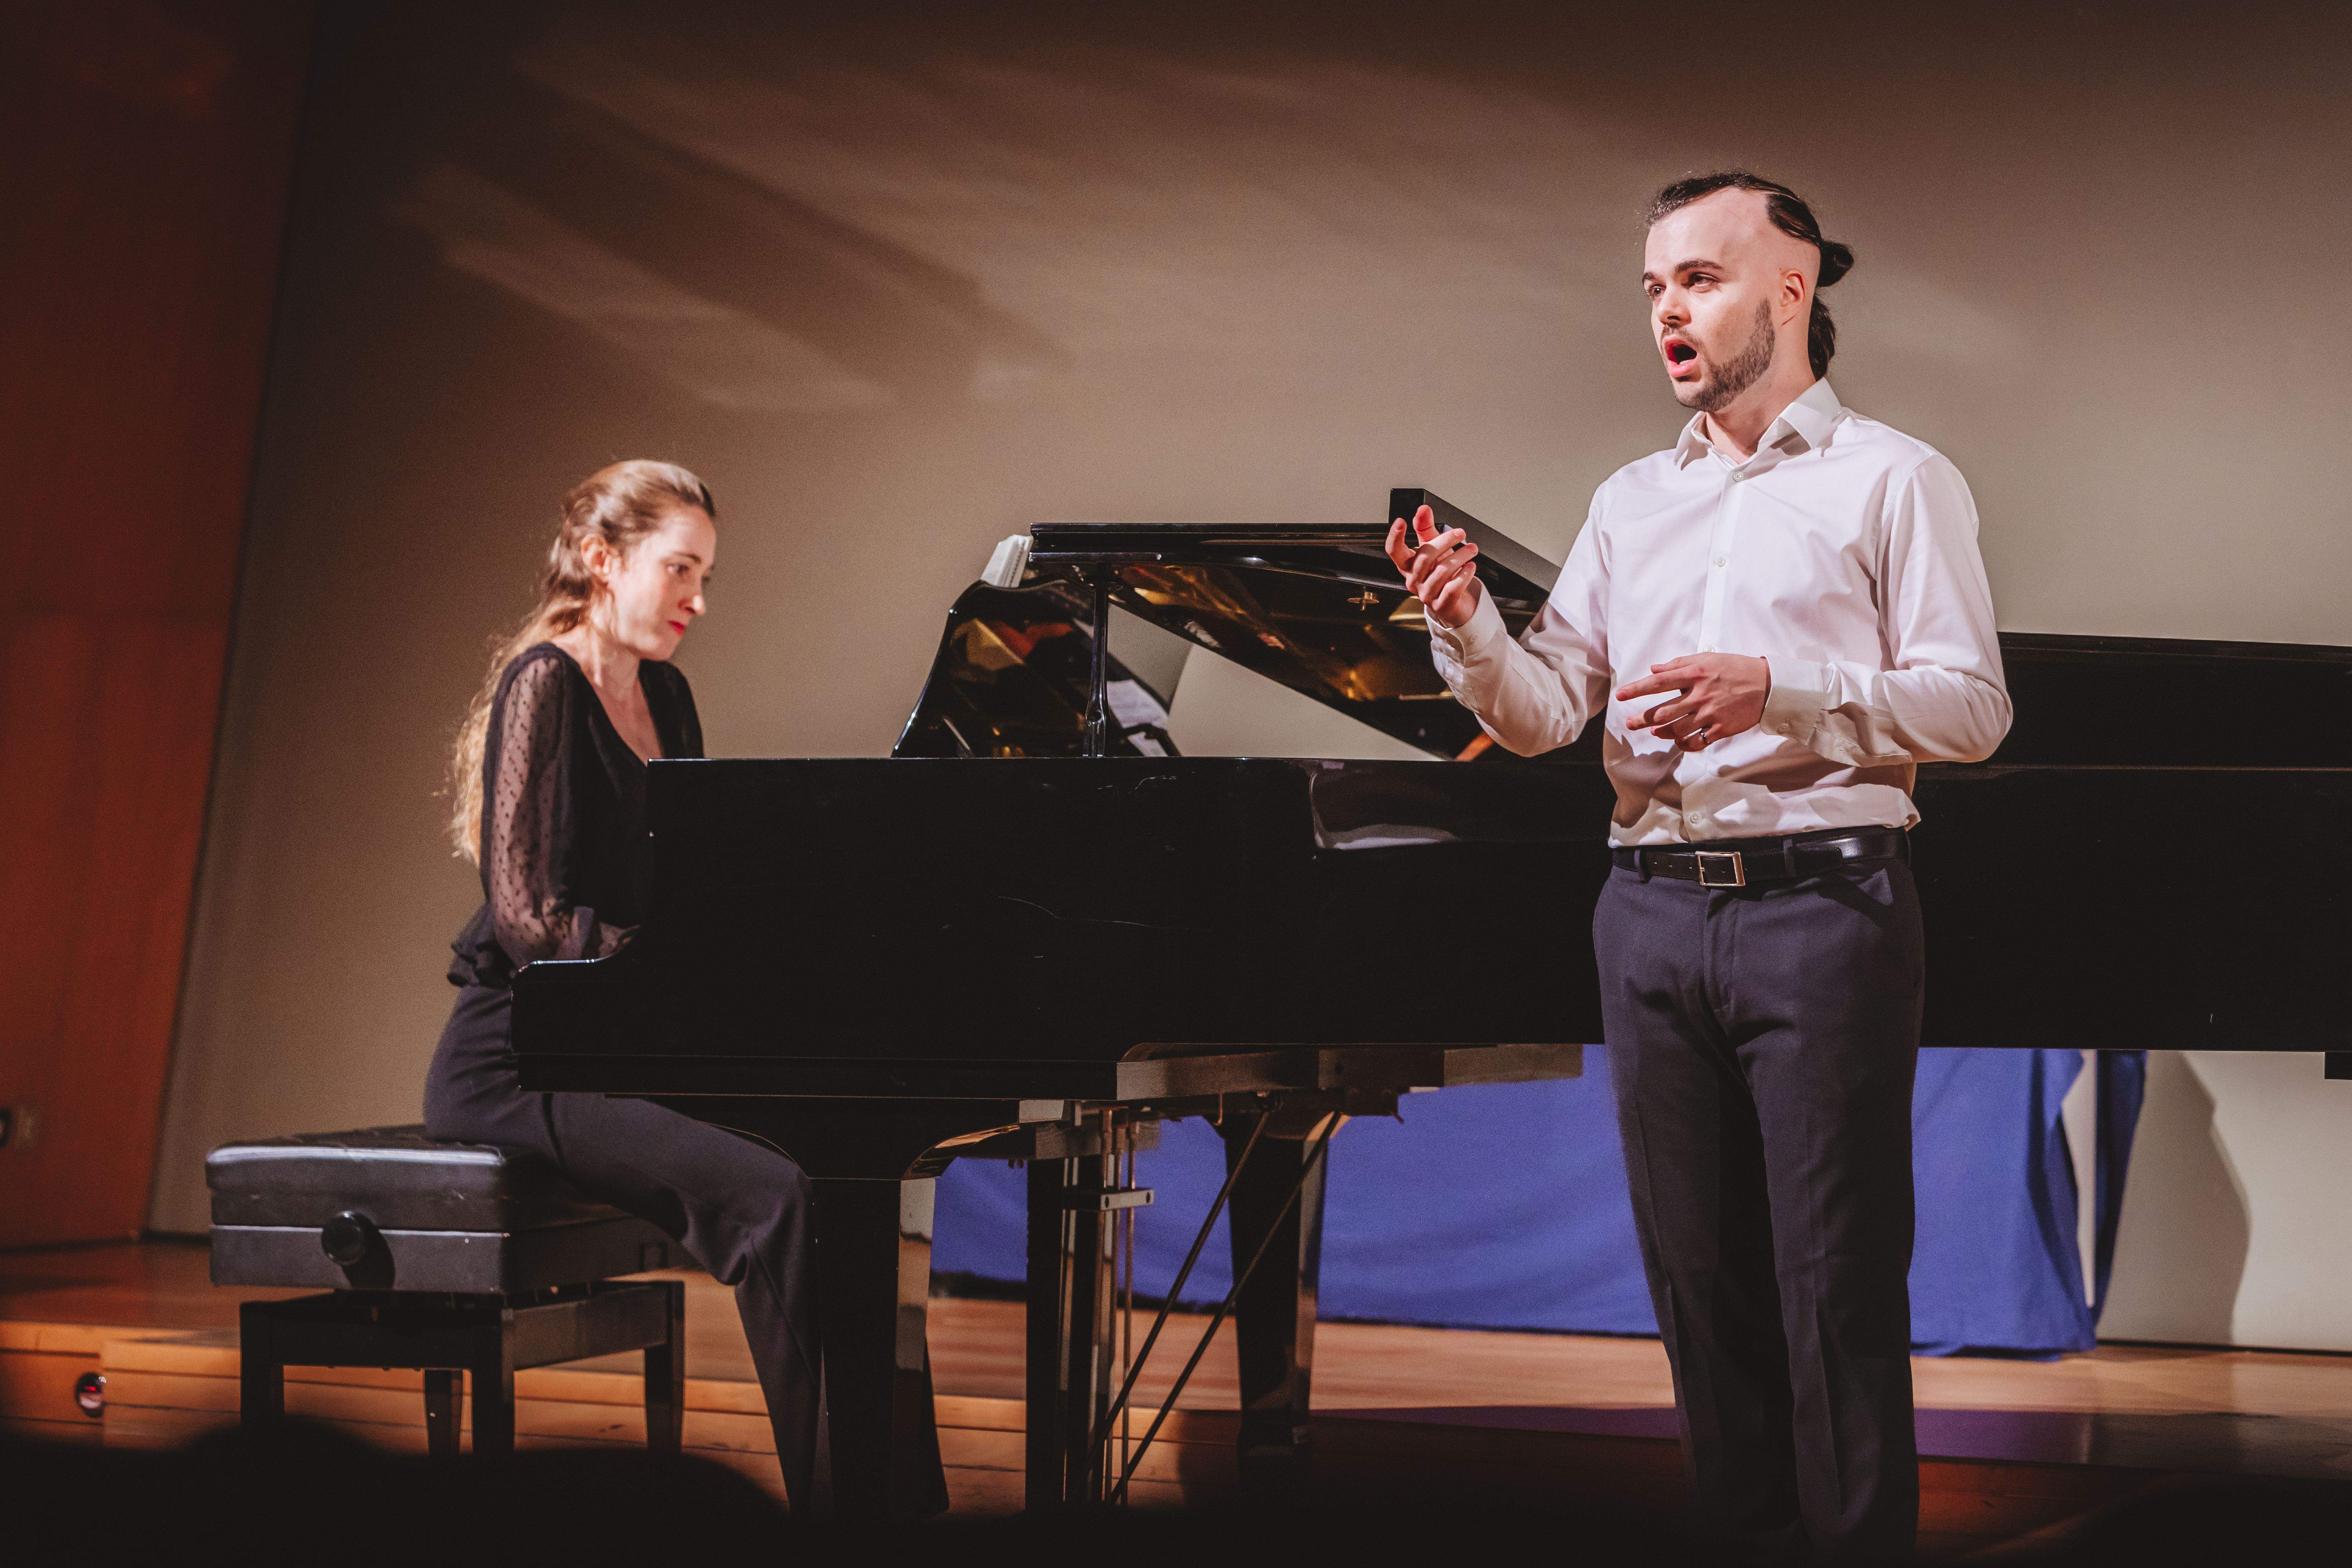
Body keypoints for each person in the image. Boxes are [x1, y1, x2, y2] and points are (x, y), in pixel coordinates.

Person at [1386, 173, 2012, 1562]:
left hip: (1825, 907)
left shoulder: (1894, 478)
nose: (1671, 310)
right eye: (1657, 287)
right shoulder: (1629, 500)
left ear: (1790, 290)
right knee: (1696, 1274)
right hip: (1652, 913)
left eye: (1702, 279)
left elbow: (1972, 709)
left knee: (1833, 1276)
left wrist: (1777, 694)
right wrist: (1470, 631)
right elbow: (1547, 712)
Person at [426, 460, 821, 1506]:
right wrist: (666, 976)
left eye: (708, 576)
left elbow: (685, 890)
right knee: (774, 1194)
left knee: (832, 1170)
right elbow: (527, 921)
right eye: (681, 570)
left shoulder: (670, 697)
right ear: (604, 563)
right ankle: (844, 1508)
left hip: (619, 1041)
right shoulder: (545, 682)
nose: (699, 600)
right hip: (520, 1061)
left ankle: (893, 1499)